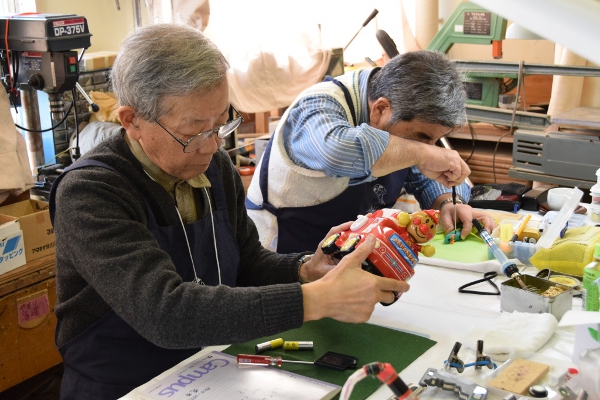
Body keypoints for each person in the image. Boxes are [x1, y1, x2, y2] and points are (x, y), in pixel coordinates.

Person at [49, 24, 409, 400]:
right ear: (131, 120)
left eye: (221, 123)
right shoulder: (91, 192)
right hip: (123, 387)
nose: (213, 144)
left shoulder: (214, 165)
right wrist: (318, 300)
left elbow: (246, 263)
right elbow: (165, 312)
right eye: (194, 130)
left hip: (210, 368)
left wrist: (306, 270)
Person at [246, 51, 495, 253]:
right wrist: (424, 154)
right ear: (380, 109)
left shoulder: (400, 117)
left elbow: (418, 171)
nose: (428, 148)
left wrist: (447, 202)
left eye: (434, 140)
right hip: (283, 256)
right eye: (421, 138)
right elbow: (338, 152)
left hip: (351, 252)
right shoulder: (320, 104)